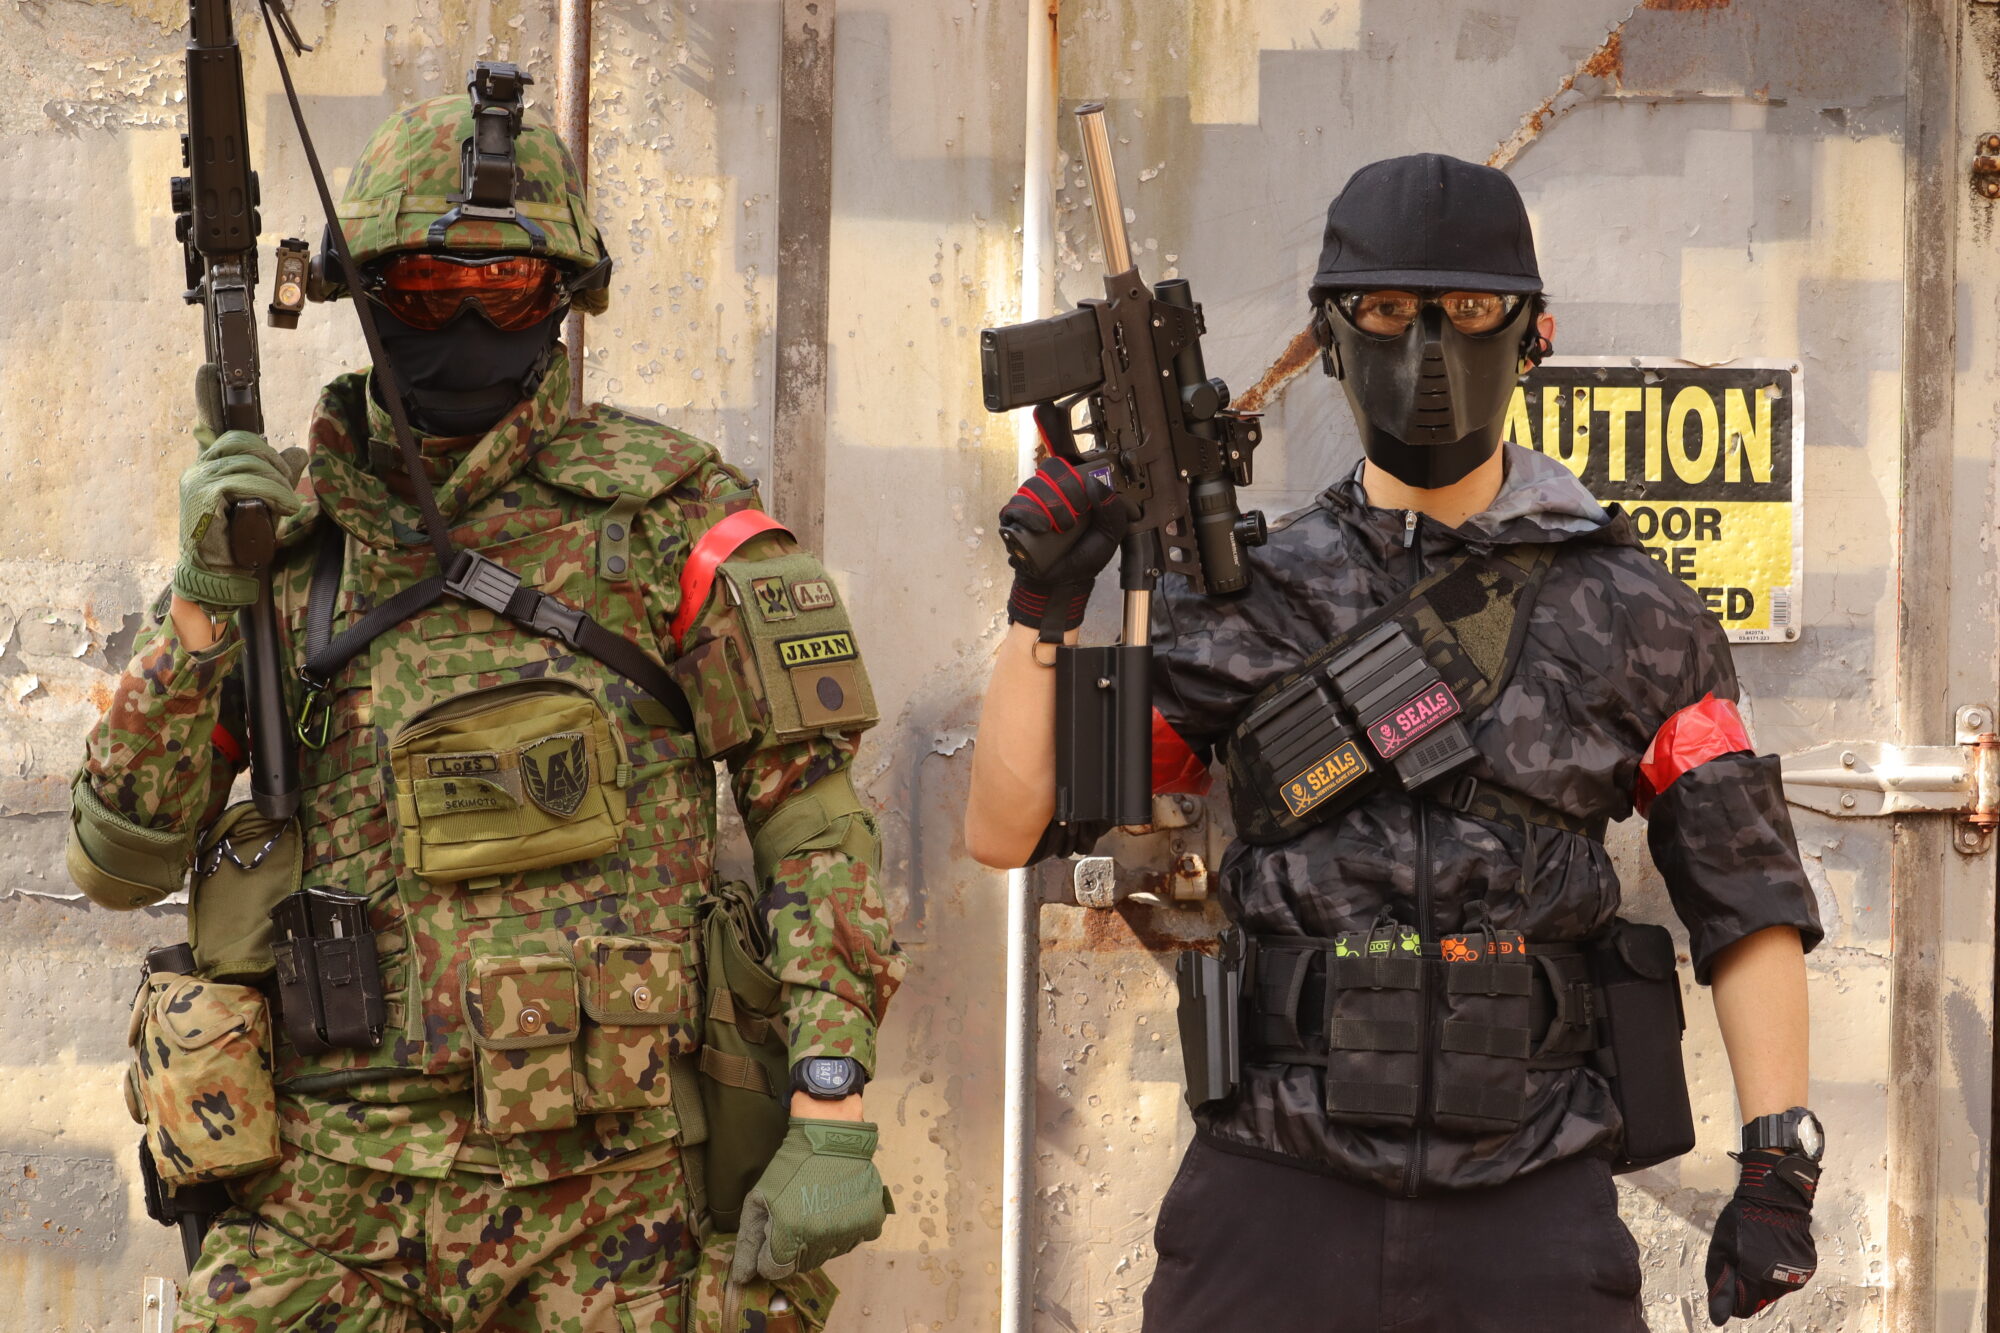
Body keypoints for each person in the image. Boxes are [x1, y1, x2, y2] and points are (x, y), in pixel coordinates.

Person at [69, 79, 902, 1332]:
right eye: (423, 286)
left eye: (505, 287)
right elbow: (116, 861)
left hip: (609, 1199)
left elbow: (813, 828)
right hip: (330, 1196)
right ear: (357, 291)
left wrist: (831, 1100)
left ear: (564, 295)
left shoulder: (672, 517)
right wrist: (200, 608)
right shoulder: (276, 537)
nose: (465, 319)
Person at [964, 153, 1825, 1330]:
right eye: (1383, 310)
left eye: (1467, 309)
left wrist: (1778, 1161)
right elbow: (1007, 826)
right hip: (1273, 1191)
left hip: (1529, 1195)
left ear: (1532, 335)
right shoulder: (1238, 596)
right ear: (1329, 337)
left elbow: (1742, 891)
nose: (1425, 349)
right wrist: (1043, 609)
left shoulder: (1634, 608)